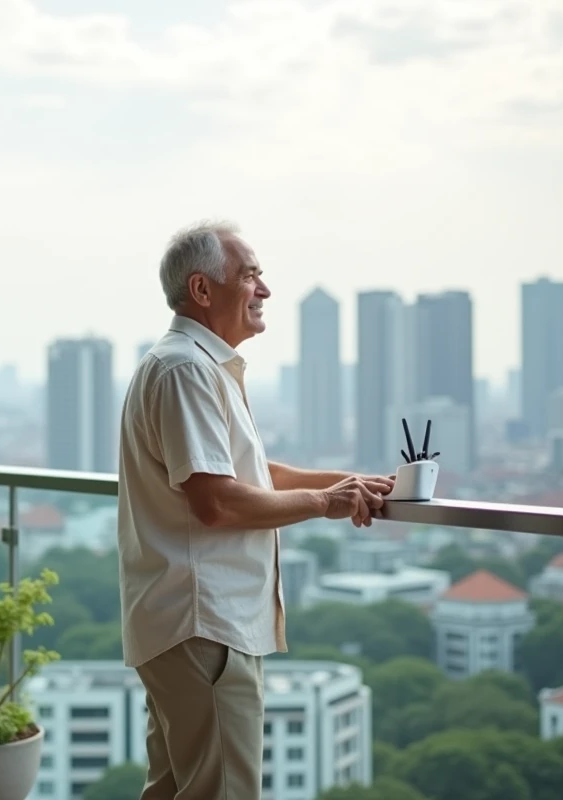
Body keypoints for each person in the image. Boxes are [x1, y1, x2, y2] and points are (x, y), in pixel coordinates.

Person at [117, 221, 395, 800]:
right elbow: (216, 501)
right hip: (204, 623)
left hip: (187, 623)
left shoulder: (193, 366)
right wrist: (325, 503)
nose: (264, 289)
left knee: (174, 788)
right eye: (249, 276)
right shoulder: (186, 370)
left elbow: (249, 476)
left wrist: (348, 484)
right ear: (202, 289)